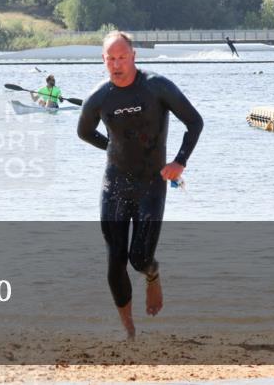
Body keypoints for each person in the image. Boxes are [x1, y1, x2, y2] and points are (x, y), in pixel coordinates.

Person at [77, 30, 203, 340]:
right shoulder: (99, 97)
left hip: (151, 184)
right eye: (111, 59)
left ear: (134, 56)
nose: (117, 64)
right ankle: (129, 330)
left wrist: (179, 162)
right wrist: (112, 146)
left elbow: (194, 122)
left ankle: (153, 274)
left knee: (140, 259)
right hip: (116, 184)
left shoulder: (156, 87)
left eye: (122, 57)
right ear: (103, 60)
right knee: (115, 260)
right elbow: (84, 132)